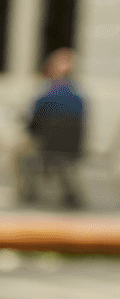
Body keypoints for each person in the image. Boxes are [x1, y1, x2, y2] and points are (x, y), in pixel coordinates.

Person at [22, 48, 87, 209]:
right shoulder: (79, 96)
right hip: (73, 148)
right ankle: (69, 193)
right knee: (61, 162)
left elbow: (33, 124)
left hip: (46, 146)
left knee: (20, 153)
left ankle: (27, 191)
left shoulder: (46, 94)